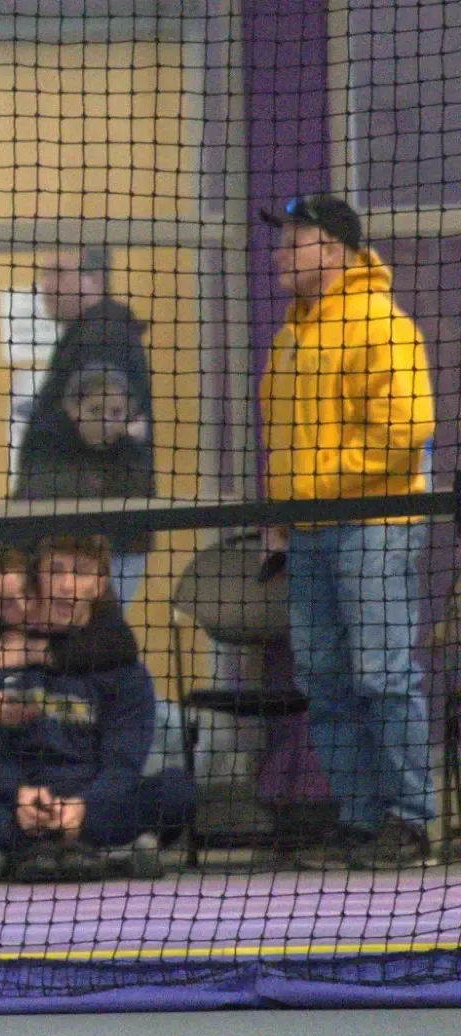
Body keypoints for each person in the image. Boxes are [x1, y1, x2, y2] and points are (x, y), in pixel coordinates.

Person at [259, 194, 438, 867]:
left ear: (332, 249)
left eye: (293, 241)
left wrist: (307, 490)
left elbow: (402, 432)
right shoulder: (291, 337)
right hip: (307, 532)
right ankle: (361, 820)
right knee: (324, 677)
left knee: (381, 673)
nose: (279, 254)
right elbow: (281, 445)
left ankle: (410, 821)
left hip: (372, 525)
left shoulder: (381, 326)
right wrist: (281, 520)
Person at [0, 537, 194, 881]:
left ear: (99, 585)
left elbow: (123, 761)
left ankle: (22, 849)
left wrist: (83, 807)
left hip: (92, 801)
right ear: (36, 579)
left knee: (179, 788)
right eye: (55, 571)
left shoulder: (122, 668)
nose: (66, 585)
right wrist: (19, 797)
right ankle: (93, 850)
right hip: (18, 802)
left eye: (80, 573)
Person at [15, 247, 156, 603]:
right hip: (87, 530)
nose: (45, 285)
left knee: (87, 649)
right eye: (44, 274)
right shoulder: (89, 334)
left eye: (58, 273)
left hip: (95, 536)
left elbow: (102, 425)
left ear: (95, 280)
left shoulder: (102, 336)